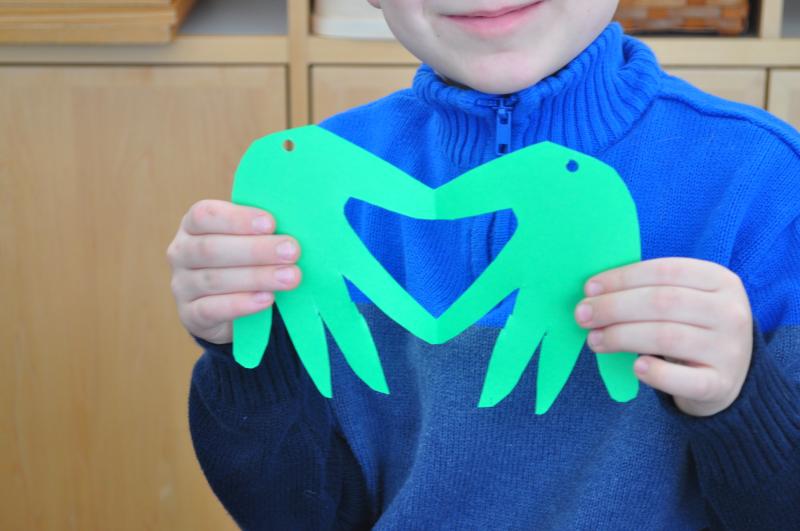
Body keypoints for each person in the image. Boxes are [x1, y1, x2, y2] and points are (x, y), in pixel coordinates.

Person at [166, 1, 800, 529]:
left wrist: (739, 398)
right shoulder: (316, 192)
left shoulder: (763, 184)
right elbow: (292, 513)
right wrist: (247, 350)